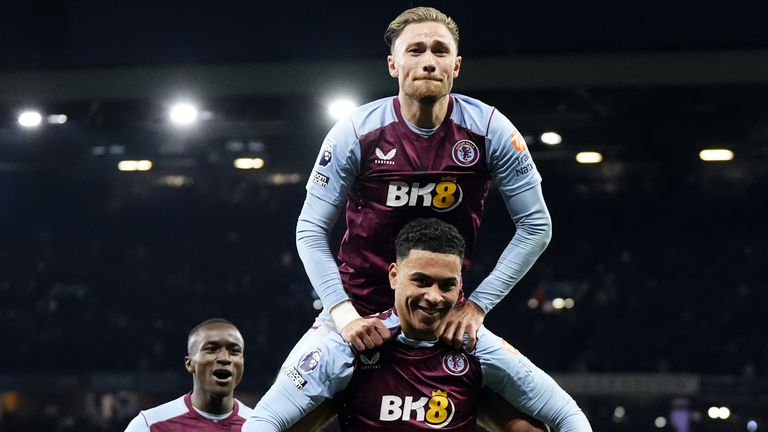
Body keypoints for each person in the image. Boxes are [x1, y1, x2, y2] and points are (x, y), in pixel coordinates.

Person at [288, 5, 554, 431]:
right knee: (281, 421)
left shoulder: (491, 130)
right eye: (415, 50)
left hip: (438, 311)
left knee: (534, 425)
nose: (428, 60)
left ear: (456, 65)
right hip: (357, 314)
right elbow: (310, 229)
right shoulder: (354, 132)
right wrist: (343, 315)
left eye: (439, 50)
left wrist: (478, 306)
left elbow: (537, 226)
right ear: (394, 64)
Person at [245, 219, 591, 431]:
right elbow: (263, 422)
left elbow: (567, 415)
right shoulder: (351, 344)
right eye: (421, 281)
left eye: (446, 285)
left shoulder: (478, 347)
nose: (434, 297)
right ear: (394, 276)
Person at [124, 318, 252, 431]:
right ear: (189, 363)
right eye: (212, 349)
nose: (225, 358)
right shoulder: (150, 425)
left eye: (234, 351)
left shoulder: (261, 426)